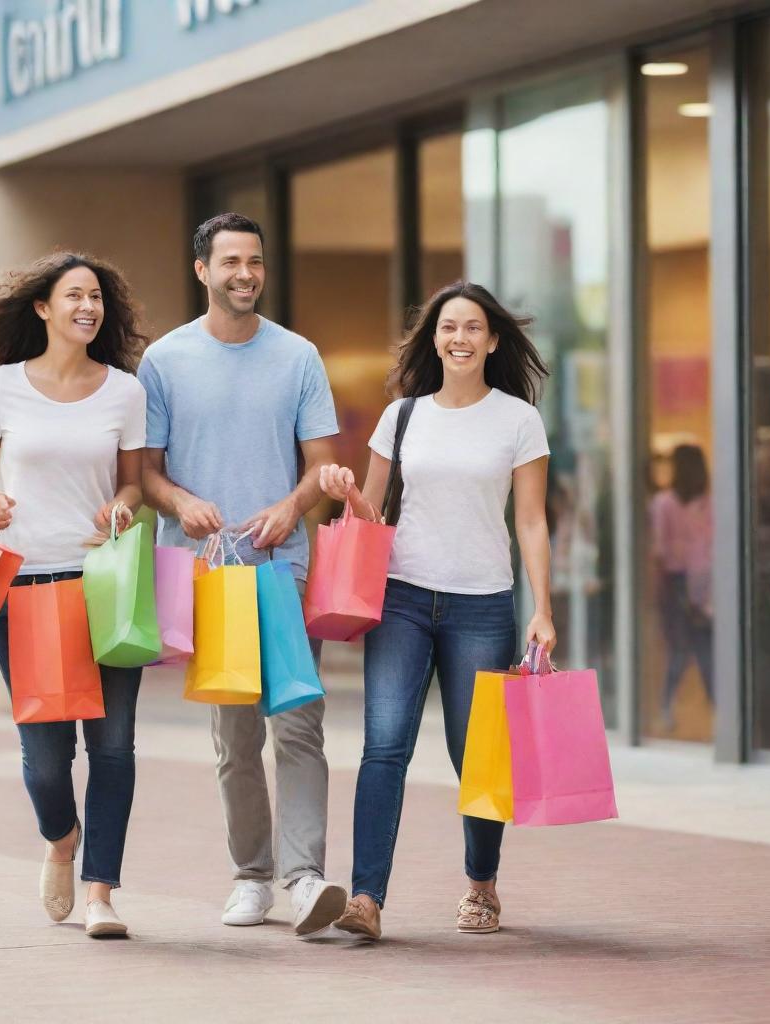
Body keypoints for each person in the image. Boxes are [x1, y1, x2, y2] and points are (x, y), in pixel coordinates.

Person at [319, 280, 555, 940]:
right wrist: (343, 489)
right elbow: (372, 510)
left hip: (483, 604)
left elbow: (532, 521)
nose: (459, 338)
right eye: (448, 327)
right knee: (384, 745)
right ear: (433, 338)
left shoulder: (517, 419)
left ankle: (481, 883)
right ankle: (367, 899)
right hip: (402, 598)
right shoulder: (402, 416)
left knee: (476, 754)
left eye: (473, 327)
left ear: (493, 340)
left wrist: (544, 608)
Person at [139, 212, 347, 936]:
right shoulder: (164, 361)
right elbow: (147, 474)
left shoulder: (298, 357)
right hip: (210, 575)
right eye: (230, 262)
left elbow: (322, 463)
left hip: (281, 568)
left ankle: (306, 875)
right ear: (202, 270)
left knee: (298, 725)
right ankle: (251, 875)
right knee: (235, 740)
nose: (245, 274)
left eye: (254, 262)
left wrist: (295, 505)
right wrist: (183, 501)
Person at [0, 251, 148, 938]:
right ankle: (60, 835)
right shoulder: (3, 387)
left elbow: (132, 481)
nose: (87, 307)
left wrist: (123, 508)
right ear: (43, 307)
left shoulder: (124, 391)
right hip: (27, 583)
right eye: (73, 295)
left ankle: (101, 891)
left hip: (104, 582)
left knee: (115, 746)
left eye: (95, 296)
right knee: (44, 758)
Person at [649, 444, 714, 731]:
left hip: (678, 582)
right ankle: (718, 712)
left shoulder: (664, 503)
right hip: (704, 583)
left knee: (681, 649)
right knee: (702, 648)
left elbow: (660, 550)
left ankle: (666, 709)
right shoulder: (708, 504)